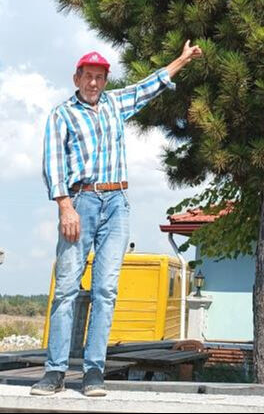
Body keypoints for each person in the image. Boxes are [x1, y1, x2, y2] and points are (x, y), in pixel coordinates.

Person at [31, 41, 202, 398]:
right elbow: (53, 164)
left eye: (99, 77)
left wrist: (183, 60)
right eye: (88, 76)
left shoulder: (114, 104)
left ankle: (94, 373)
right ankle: (55, 371)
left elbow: (148, 86)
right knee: (66, 289)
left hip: (117, 203)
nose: (93, 83)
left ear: (105, 81)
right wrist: (65, 206)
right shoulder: (62, 114)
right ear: (76, 78)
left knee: (106, 290)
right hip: (80, 201)